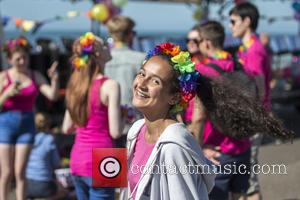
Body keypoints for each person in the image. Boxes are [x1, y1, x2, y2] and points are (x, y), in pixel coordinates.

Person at [121, 42, 293, 200]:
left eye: (155, 81)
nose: (141, 84)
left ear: (174, 97)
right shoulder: (137, 130)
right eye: (142, 74)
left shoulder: (173, 147)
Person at [194, 20, 251, 200]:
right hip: (243, 146)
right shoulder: (238, 64)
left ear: (207, 43)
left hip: (217, 151)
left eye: (198, 41)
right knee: (240, 195)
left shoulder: (202, 71)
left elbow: (198, 117)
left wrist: (197, 148)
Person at [62, 32, 123, 200]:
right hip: (105, 158)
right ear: (97, 54)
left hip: (78, 159)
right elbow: (116, 132)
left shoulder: (76, 85)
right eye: (104, 45)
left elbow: (66, 127)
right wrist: (124, 115)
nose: (108, 47)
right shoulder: (110, 85)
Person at [0, 37, 59, 200]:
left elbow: (53, 95)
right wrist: (6, 93)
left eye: (24, 57)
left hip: (26, 126)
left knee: (20, 171)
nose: (22, 61)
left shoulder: (34, 75)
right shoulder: (4, 77)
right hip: (5, 125)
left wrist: (54, 79)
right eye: (17, 58)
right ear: (9, 59)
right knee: (6, 172)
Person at [229, 3, 272, 199]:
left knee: (249, 180)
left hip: (252, 117)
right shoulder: (246, 47)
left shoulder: (254, 50)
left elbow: (259, 86)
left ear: (247, 21)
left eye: (233, 21)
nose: (231, 26)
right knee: (246, 175)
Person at [105, 16, 145, 146]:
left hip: (106, 124)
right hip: (133, 123)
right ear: (129, 34)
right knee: (135, 166)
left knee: (109, 165)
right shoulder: (140, 59)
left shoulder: (102, 60)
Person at [26, 112, 67, 200]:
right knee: (65, 192)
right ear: (48, 124)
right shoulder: (49, 140)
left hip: (27, 183)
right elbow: (56, 164)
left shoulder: (27, 139)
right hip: (44, 184)